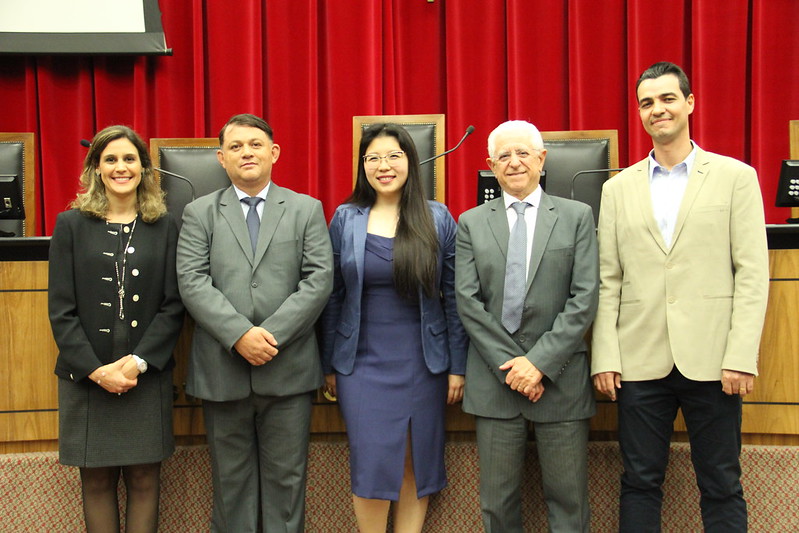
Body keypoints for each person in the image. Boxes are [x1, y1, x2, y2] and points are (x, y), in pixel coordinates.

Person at [591, 61, 770, 532]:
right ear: (639, 113)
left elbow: (752, 274)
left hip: (714, 360)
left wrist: (741, 355)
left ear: (689, 103)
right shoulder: (616, 189)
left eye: (668, 99)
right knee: (640, 482)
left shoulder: (736, 177)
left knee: (721, 481)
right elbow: (609, 280)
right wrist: (605, 356)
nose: (658, 110)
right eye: (647, 103)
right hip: (638, 360)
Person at [176, 113, 333, 532]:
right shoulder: (198, 213)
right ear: (221, 158)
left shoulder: (306, 209)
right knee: (231, 485)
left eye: (256, 144)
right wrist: (239, 335)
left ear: (274, 153)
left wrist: (271, 336)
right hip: (222, 370)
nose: (247, 152)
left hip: (289, 369)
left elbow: (319, 281)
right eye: (236, 147)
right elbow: (191, 282)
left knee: (288, 482)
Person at [320, 123, 467, 533]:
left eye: (393, 156)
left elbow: (454, 298)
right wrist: (328, 363)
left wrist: (458, 366)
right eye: (373, 158)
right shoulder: (346, 218)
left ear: (410, 162)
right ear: (362, 166)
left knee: (414, 461)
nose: (383, 166)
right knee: (370, 463)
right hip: (360, 362)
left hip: (423, 361)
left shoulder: (437, 218)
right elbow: (332, 295)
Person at [455, 120, 599, 532]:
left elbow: (584, 297)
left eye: (523, 153)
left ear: (542, 158)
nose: (514, 162)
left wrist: (537, 363)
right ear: (490, 165)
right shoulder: (471, 223)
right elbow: (468, 302)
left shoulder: (576, 217)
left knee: (568, 502)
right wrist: (515, 367)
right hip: (495, 382)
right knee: (498, 506)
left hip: (561, 379)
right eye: (503, 156)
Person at [48, 125, 185, 532]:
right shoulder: (70, 225)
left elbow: (173, 304)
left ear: (144, 168)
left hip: (145, 375)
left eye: (129, 159)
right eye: (110, 159)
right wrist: (96, 370)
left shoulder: (165, 225)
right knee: (96, 479)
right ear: (96, 168)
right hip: (86, 376)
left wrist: (137, 364)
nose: (120, 167)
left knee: (145, 477)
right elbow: (61, 310)